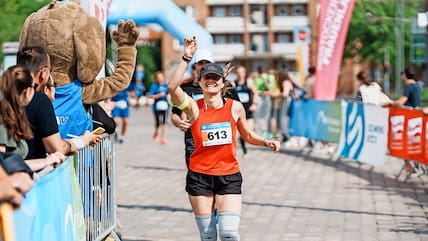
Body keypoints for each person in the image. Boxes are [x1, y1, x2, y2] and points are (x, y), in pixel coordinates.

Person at [168, 36, 280, 241]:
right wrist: (186, 57)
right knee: (208, 235)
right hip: (199, 177)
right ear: (200, 82)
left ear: (222, 82)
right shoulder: (193, 106)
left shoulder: (234, 107)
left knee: (228, 233)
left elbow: (247, 134)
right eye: (206, 77)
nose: (211, 80)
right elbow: (173, 87)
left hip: (228, 176)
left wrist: (265, 141)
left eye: (215, 77)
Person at [17, 46, 100, 160]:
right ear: (44, 73)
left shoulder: (7, 95)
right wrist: (83, 140)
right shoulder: (39, 101)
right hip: (34, 173)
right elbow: (57, 148)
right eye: (50, 70)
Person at [0, 65, 65, 172]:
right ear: (27, 91)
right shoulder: (2, 121)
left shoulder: (13, 116)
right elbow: (3, 167)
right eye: (34, 86)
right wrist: (45, 162)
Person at [233, 65, 258, 156]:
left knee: (248, 131)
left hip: (248, 110)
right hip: (238, 111)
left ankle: (244, 146)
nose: (240, 74)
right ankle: (243, 150)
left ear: (245, 73)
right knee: (238, 132)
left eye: (242, 72)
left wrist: (254, 104)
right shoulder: (234, 83)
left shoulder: (249, 82)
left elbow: (255, 93)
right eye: (238, 72)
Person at [148, 71, 169, 145]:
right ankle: (156, 131)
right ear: (156, 78)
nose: (160, 79)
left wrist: (168, 96)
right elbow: (150, 95)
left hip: (165, 106)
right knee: (157, 122)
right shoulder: (154, 86)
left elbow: (170, 94)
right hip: (156, 107)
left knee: (164, 122)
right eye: (158, 77)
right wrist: (159, 95)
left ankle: (163, 138)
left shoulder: (166, 85)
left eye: (161, 77)